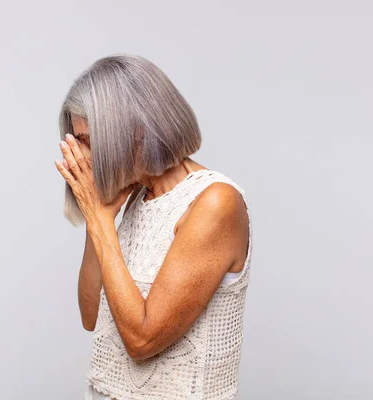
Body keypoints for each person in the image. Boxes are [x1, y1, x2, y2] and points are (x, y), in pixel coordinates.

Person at [54, 54, 253, 400]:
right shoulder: (134, 199)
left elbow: (142, 339)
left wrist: (102, 222)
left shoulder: (213, 202)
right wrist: (95, 221)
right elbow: (91, 316)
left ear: (136, 131)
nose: (80, 156)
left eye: (87, 140)